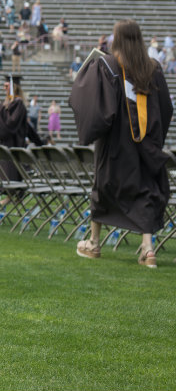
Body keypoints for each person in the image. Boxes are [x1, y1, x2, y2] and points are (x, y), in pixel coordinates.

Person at [70, 20, 171, 268]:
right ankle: (148, 250)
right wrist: (153, 139)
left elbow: (94, 107)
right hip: (145, 146)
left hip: (114, 147)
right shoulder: (153, 69)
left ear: (117, 40)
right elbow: (166, 109)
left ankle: (94, 243)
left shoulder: (107, 65)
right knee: (145, 190)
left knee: (103, 188)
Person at [0, 75, 44, 182]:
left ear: (13, 87)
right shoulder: (7, 103)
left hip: (13, 144)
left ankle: (12, 197)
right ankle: (13, 197)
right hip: (6, 145)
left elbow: (9, 124)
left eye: (6, 86)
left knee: (12, 178)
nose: (4, 88)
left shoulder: (18, 103)